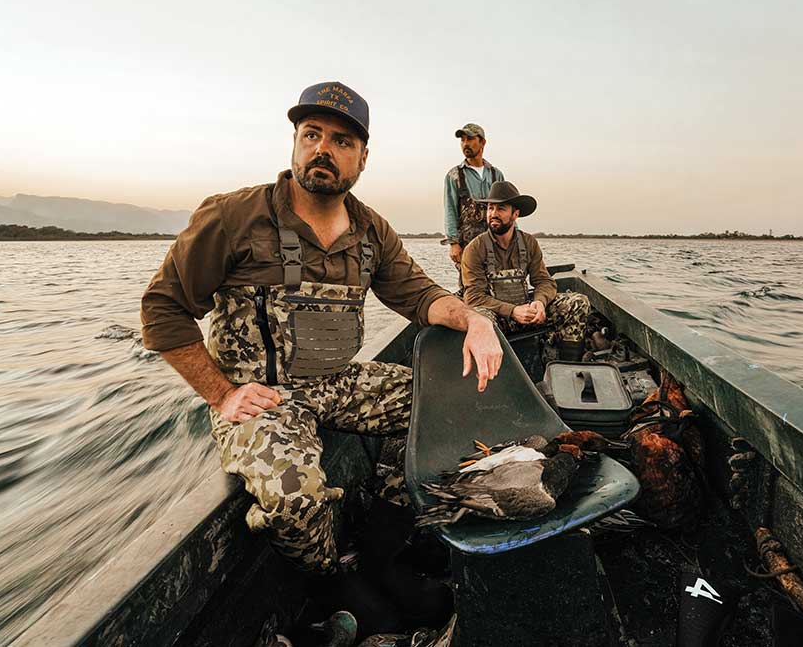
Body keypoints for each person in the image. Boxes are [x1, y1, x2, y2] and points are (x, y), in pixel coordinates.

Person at [140, 81, 502, 574]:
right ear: (295, 141)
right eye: (312, 135)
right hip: (262, 398)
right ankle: (332, 579)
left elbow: (421, 296)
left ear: (363, 158)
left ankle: (392, 521)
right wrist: (222, 394)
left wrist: (475, 319)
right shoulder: (233, 216)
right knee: (293, 498)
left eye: (342, 142)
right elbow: (163, 308)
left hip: (337, 382)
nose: (323, 150)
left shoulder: (372, 231)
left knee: (444, 402)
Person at [460, 181, 590, 361]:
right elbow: (473, 297)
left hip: (527, 311)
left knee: (578, 302)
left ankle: (566, 368)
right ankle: (494, 373)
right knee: (481, 320)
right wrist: (513, 311)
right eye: (490, 208)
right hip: (499, 317)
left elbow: (544, 281)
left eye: (501, 209)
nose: (493, 214)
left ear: (515, 214)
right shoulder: (475, 249)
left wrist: (539, 303)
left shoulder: (529, 243)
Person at [442, 123, 504, 289]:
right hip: (467, 245)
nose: (465, 144)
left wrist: (514, 237)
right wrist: (453, 243)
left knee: (499, 286)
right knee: (470, 288)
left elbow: (506, 208)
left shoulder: (496, 174)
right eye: (462, 140)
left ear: (483, 142)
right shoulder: (454, 175)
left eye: (470, 139)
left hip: (496, 241)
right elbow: (450, 210)